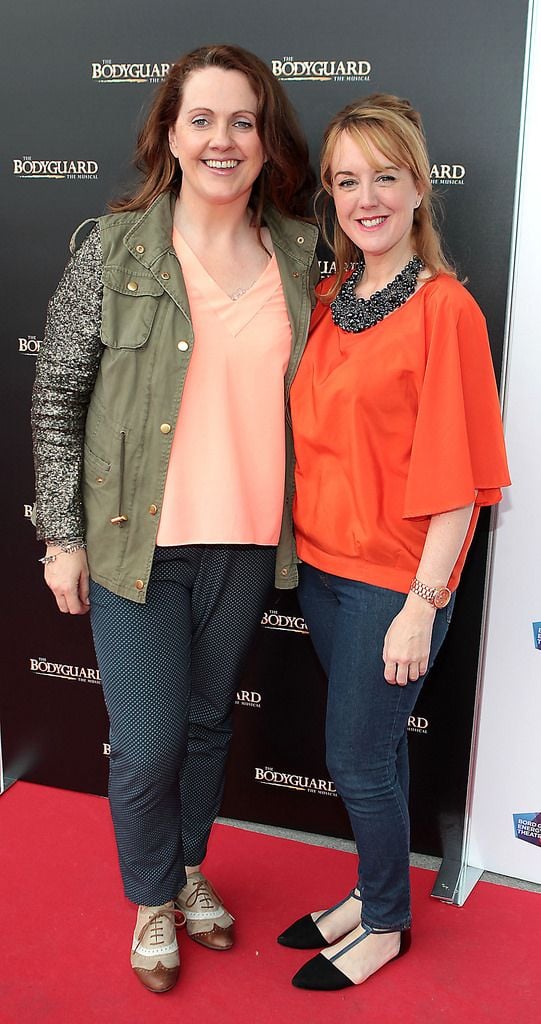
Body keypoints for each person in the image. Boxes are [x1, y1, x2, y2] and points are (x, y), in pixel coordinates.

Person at [31, 44, 318, 994]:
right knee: (148, 741)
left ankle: (192, 870)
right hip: (132, 543)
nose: (222, 139)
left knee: (203, 728)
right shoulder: (113, 250)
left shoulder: (300, 255)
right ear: (168, 133)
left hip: (245, 539)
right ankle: (152, 896)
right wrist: (61, 537)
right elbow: (59, 392)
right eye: (201, 120)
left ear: (265, 138)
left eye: (242, 120)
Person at [277, 94, 510, 991]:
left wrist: (421, 603)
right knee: (366, 754)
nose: (363, 196)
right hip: (323, 573)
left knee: (357, 758)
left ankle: (385, 922)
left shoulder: (447, 309)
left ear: (418, 187)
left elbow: (462, 483)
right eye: (344, 181)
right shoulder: (331, 297)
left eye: (383, 176)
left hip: (391, 583)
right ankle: (368, 890)